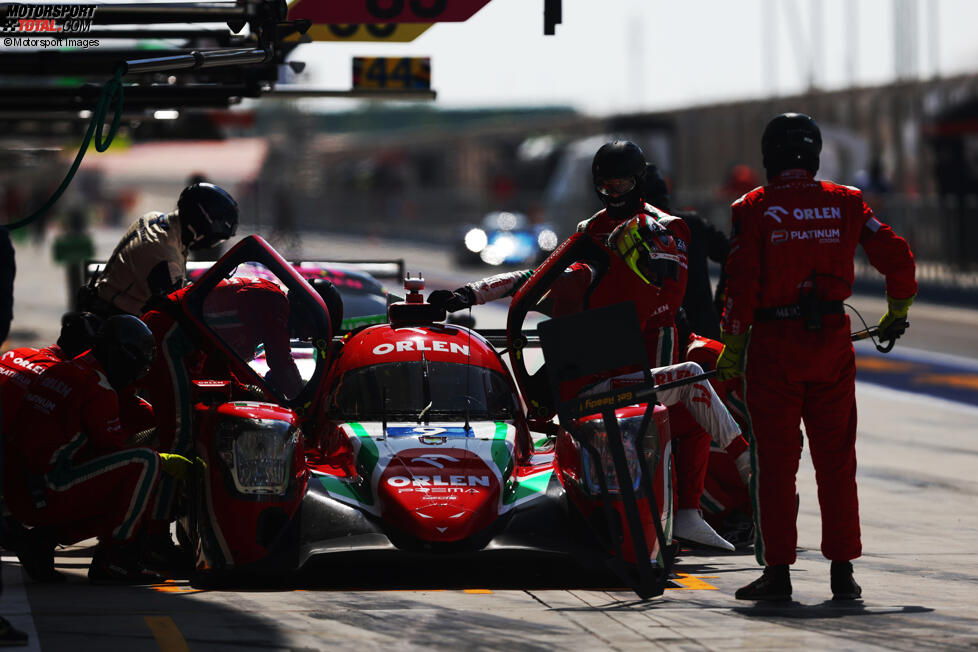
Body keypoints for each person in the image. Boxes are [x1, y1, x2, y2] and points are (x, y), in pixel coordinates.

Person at [432, 141, 744, 550]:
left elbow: (667, 293)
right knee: (689, 385)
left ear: (639, 183)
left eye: (623, 183)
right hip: (604, 375)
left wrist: (638, 264)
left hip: (649, 363)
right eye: (607, 185)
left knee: (700, 374)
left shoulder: (669, 229)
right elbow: (536, 276)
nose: (615, 192)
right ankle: (705, 496)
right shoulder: (587, 233)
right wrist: (467, 294)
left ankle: (693, 509)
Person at [717, 112, 917, 601]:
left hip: (773, 348)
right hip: (830, 342)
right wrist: (896, 311)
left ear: (770, 156)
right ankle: (843, 573)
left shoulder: (755, 208)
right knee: (837, 462)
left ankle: (779, 574)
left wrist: (732, 351)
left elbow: (740, 289)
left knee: (776, 465)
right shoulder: (847, 203)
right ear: (815, 152)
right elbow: (897, 255)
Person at [3, 315, 193, 583]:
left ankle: (41, 541)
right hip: (45, 490)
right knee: (144, 465)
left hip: (16, 491)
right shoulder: (98, 389)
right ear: (123, 357)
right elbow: (113, 456)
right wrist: (165, 460)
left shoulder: (63, 370)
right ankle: (115, 559)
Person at [82, 183, 238, 317]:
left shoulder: (153, 218)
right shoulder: (166, 258)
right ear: (199, 228)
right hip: (112, 321)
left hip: (99, 303)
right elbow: (179, 312)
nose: (211, 245)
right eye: (215, 239)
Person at [644, 164, 730, 340]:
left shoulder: (633, 232)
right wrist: (721, 301)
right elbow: (733, 254)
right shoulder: (693, 223)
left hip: (659, 339)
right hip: (705, 334)